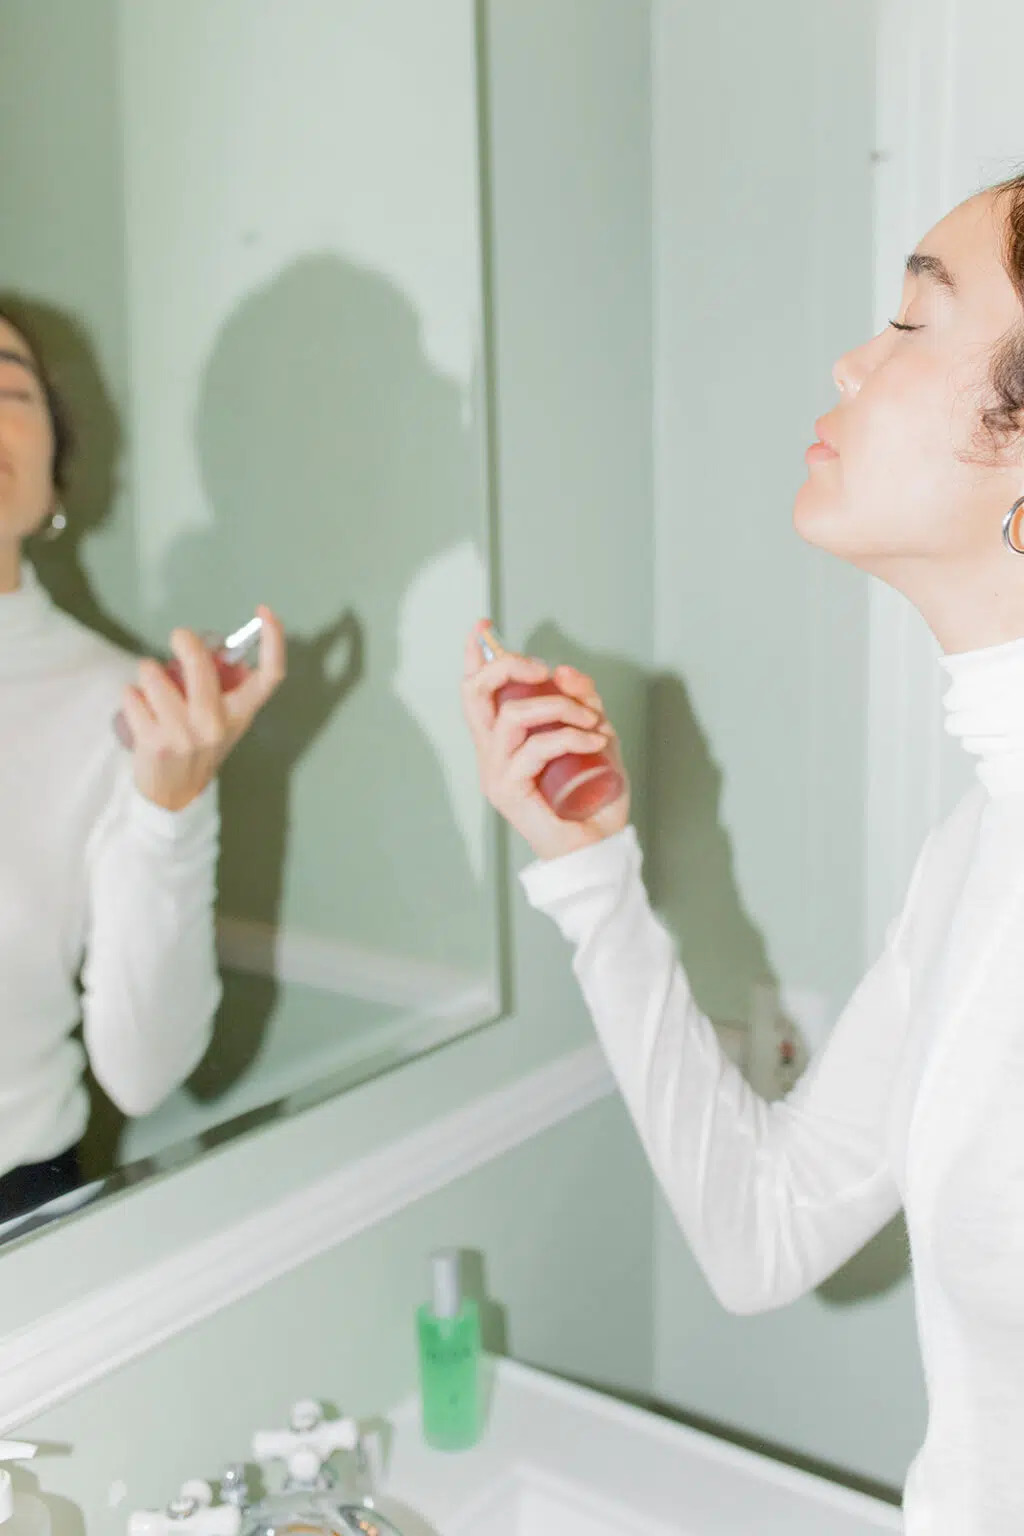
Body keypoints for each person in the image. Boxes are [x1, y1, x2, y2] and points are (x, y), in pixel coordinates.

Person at [463, 168, 1024, 1533]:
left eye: (911, 321)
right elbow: (764, 1234)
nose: (849, 355)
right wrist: (593, 877)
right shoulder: (972, 855)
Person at [0, 305, 286, 1224]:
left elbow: (146, 1070)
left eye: (10, 389)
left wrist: (173, 810)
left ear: (54, 480)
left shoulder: (125, 706)